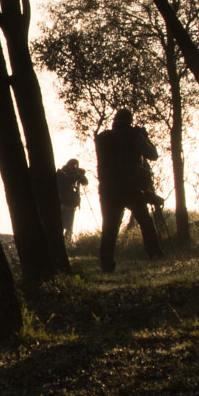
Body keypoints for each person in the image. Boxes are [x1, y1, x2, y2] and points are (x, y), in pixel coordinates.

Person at [94, 109, 165, 273]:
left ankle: (106, 263)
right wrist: (144, 137)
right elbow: (153, 155)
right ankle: (155, 254)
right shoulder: (134, 135)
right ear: (130, 120)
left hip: (107, 188)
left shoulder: (102, 138)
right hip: (131, 187)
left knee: (110, 226)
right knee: (145, 222)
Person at [56, 157, 88, 243]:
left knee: (69, 227)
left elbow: (85, 182)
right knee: (62, 226)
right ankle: (61, 243)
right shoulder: (61, 173)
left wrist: (81, 175)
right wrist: (75, 176)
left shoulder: (72, 174)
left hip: (70, 204)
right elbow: (66, 183)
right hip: (62, 203)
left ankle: (67, 244)